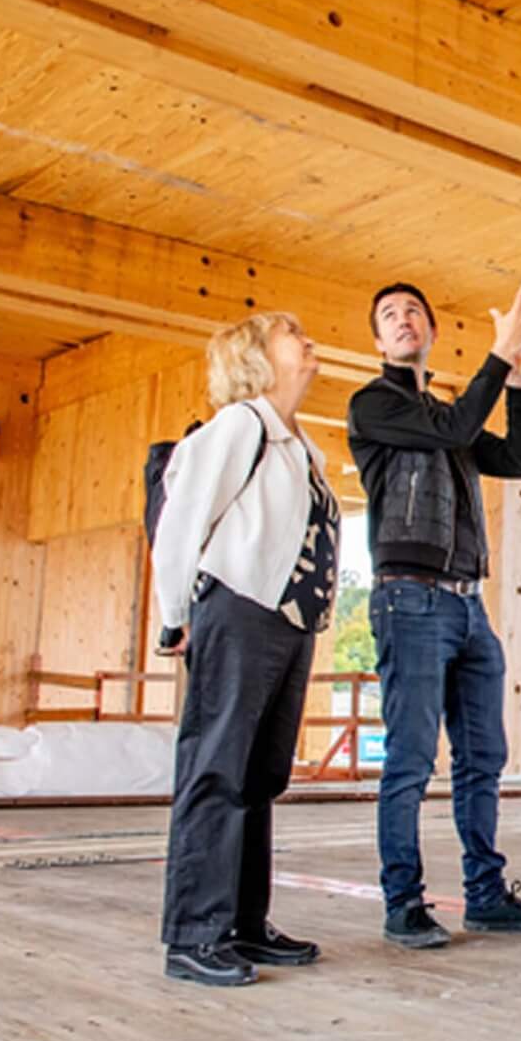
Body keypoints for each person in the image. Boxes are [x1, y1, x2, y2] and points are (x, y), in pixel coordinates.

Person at [347, 281, 521, 948]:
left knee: (482, 759)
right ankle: (402, 902)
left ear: (432, 332)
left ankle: (486, 897)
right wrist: (498, 356)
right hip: (409, 599)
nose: (403, 319)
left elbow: (518, 458)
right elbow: (458, 427)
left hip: (469, 605)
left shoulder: (449, 413)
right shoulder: (375, 404)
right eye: (389, 315)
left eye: (414, 311)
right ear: (380, 343)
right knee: (411, 760)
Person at [150, 312, 339, 987]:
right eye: (292, 331)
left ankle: (243, 924)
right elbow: (181, 521)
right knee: (216, 769)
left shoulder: (301, 445)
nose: (307, 336)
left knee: (260, 777)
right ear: (257, 354)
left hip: (288, 622)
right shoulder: (241, 425)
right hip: (237, 610)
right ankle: (193, 935)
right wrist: (174, 619)